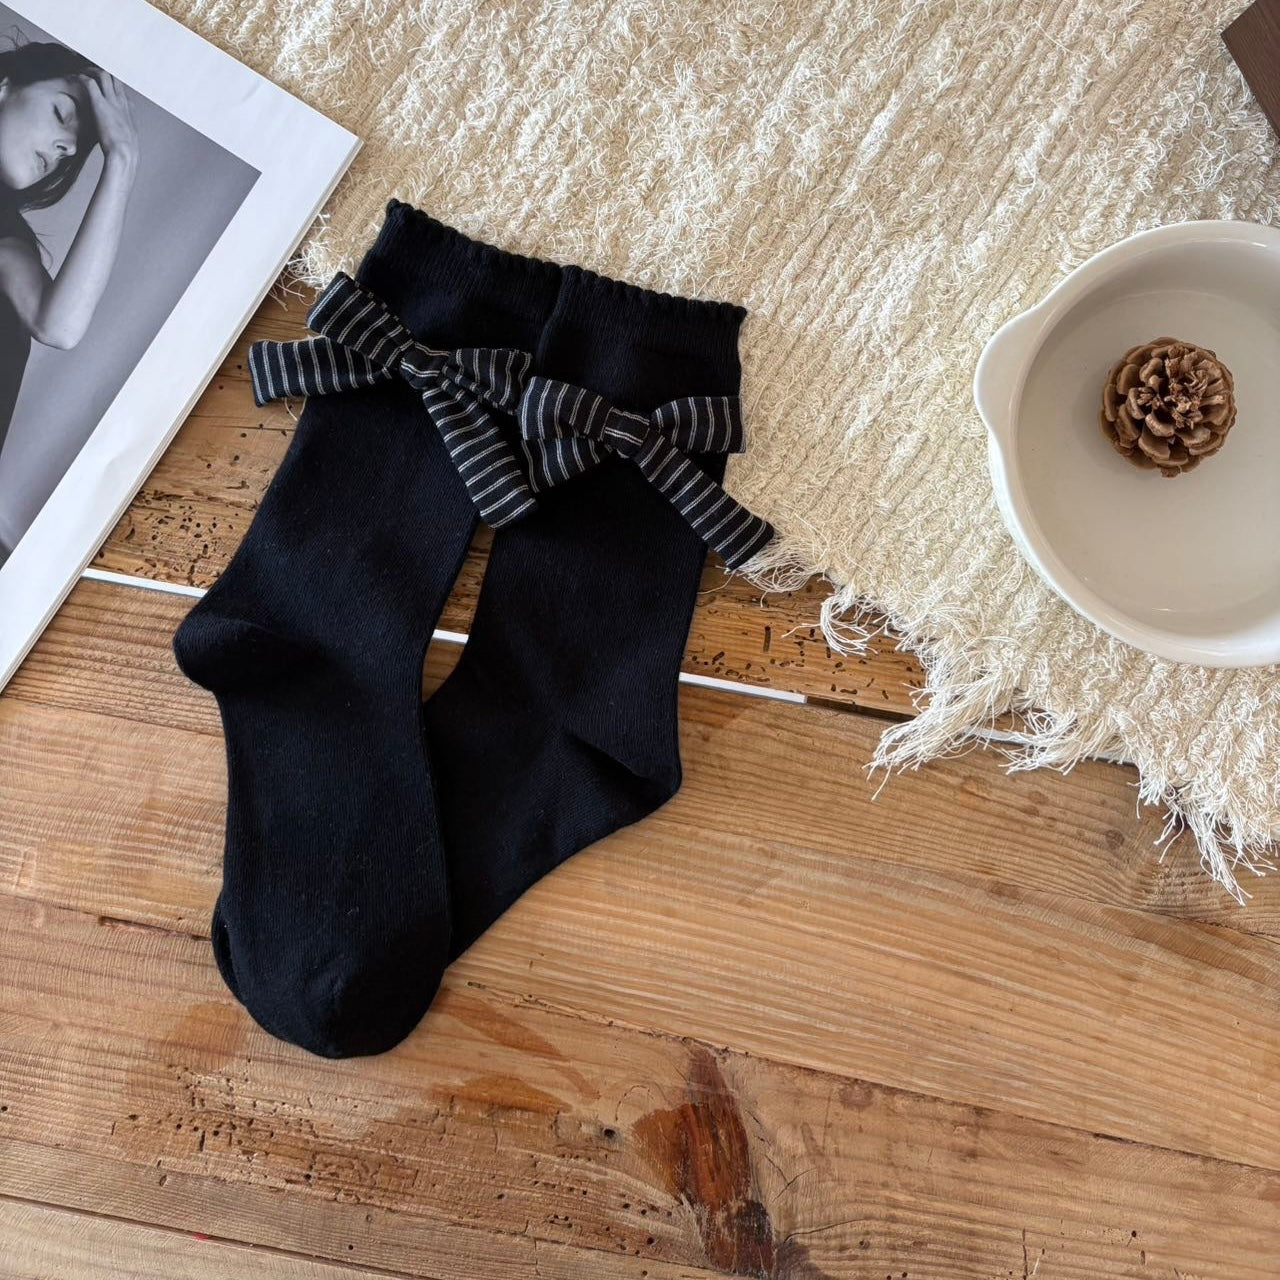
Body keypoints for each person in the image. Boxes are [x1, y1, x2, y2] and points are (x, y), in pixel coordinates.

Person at [0, 37, 137, 469]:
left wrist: (122, 160)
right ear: (5, 87)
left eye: (76, 145)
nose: (69, 148)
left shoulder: (7, 241)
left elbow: (59, 326)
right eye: (62, 113)